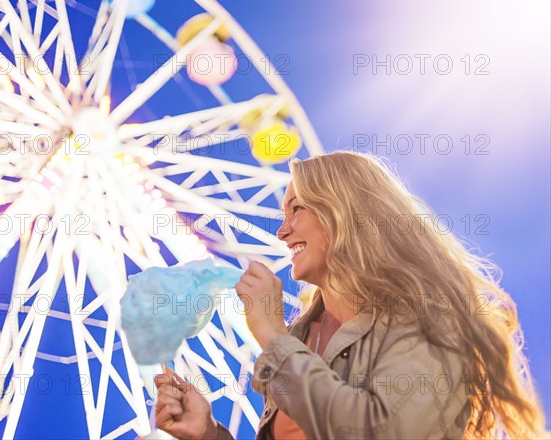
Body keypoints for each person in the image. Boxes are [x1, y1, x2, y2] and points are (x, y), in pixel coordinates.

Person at [153, 151, 546, 439]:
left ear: (347, 213)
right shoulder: (302, 337)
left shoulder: (426, 320)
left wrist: (271, 335)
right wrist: (206, 432)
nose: (282, 231)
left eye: (297, 209)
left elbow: (384, 433)